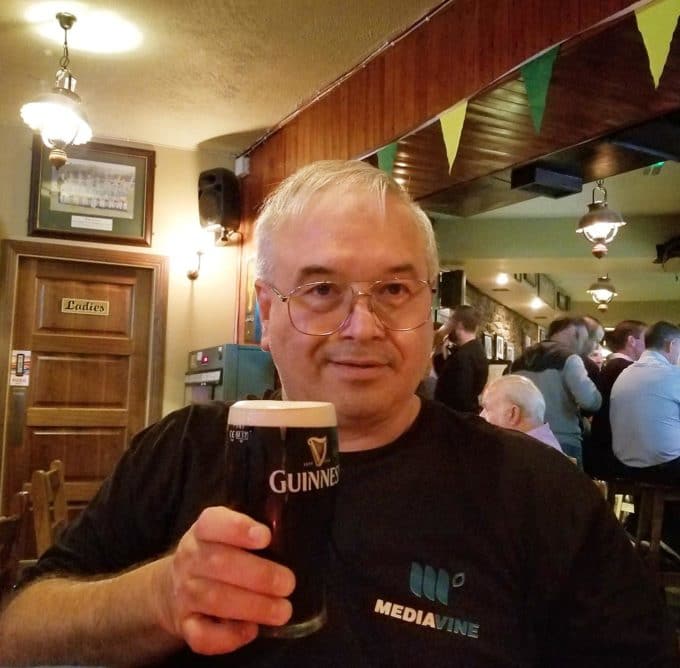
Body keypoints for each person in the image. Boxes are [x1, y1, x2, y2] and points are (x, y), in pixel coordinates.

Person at [0, 160, 676, 666]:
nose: (362, 325)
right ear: (268, 311)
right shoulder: (184, 448)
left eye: (393, 289)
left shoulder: (536, 492)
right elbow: (19, 628)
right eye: (322, 289)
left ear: (429, 314)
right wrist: (157, 598)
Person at [509, 317, 601, 465]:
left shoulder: (520, 359)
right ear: (574, 333)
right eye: (583, 339)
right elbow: (590, 401)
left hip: (525, 438)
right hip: (563, 440)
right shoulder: (569, 359)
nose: (584, 345)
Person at [611, 321, 680, 482]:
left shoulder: (625, 374)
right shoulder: (672, 374)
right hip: (665, 466)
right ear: (672, 345)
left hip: (625, 465)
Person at [585, 319, 646, 478]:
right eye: (646, 340)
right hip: (616, 452)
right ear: (631, 341)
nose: (649, 347)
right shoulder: (626, 369)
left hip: (603, 448)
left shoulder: (611, 366)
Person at [479, 374, 563, 453]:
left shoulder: (524, 455)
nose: (481, 416)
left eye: (487, 409)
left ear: (513, 414)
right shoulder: (545, 448)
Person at [433, 305, 488, 413]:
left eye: (449, 321)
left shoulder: (464, 357)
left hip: (454, 420)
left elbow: (460, 399)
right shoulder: (473, 349)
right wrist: (439, 342)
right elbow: (444, 374)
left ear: (459, 325)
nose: (446, 325)